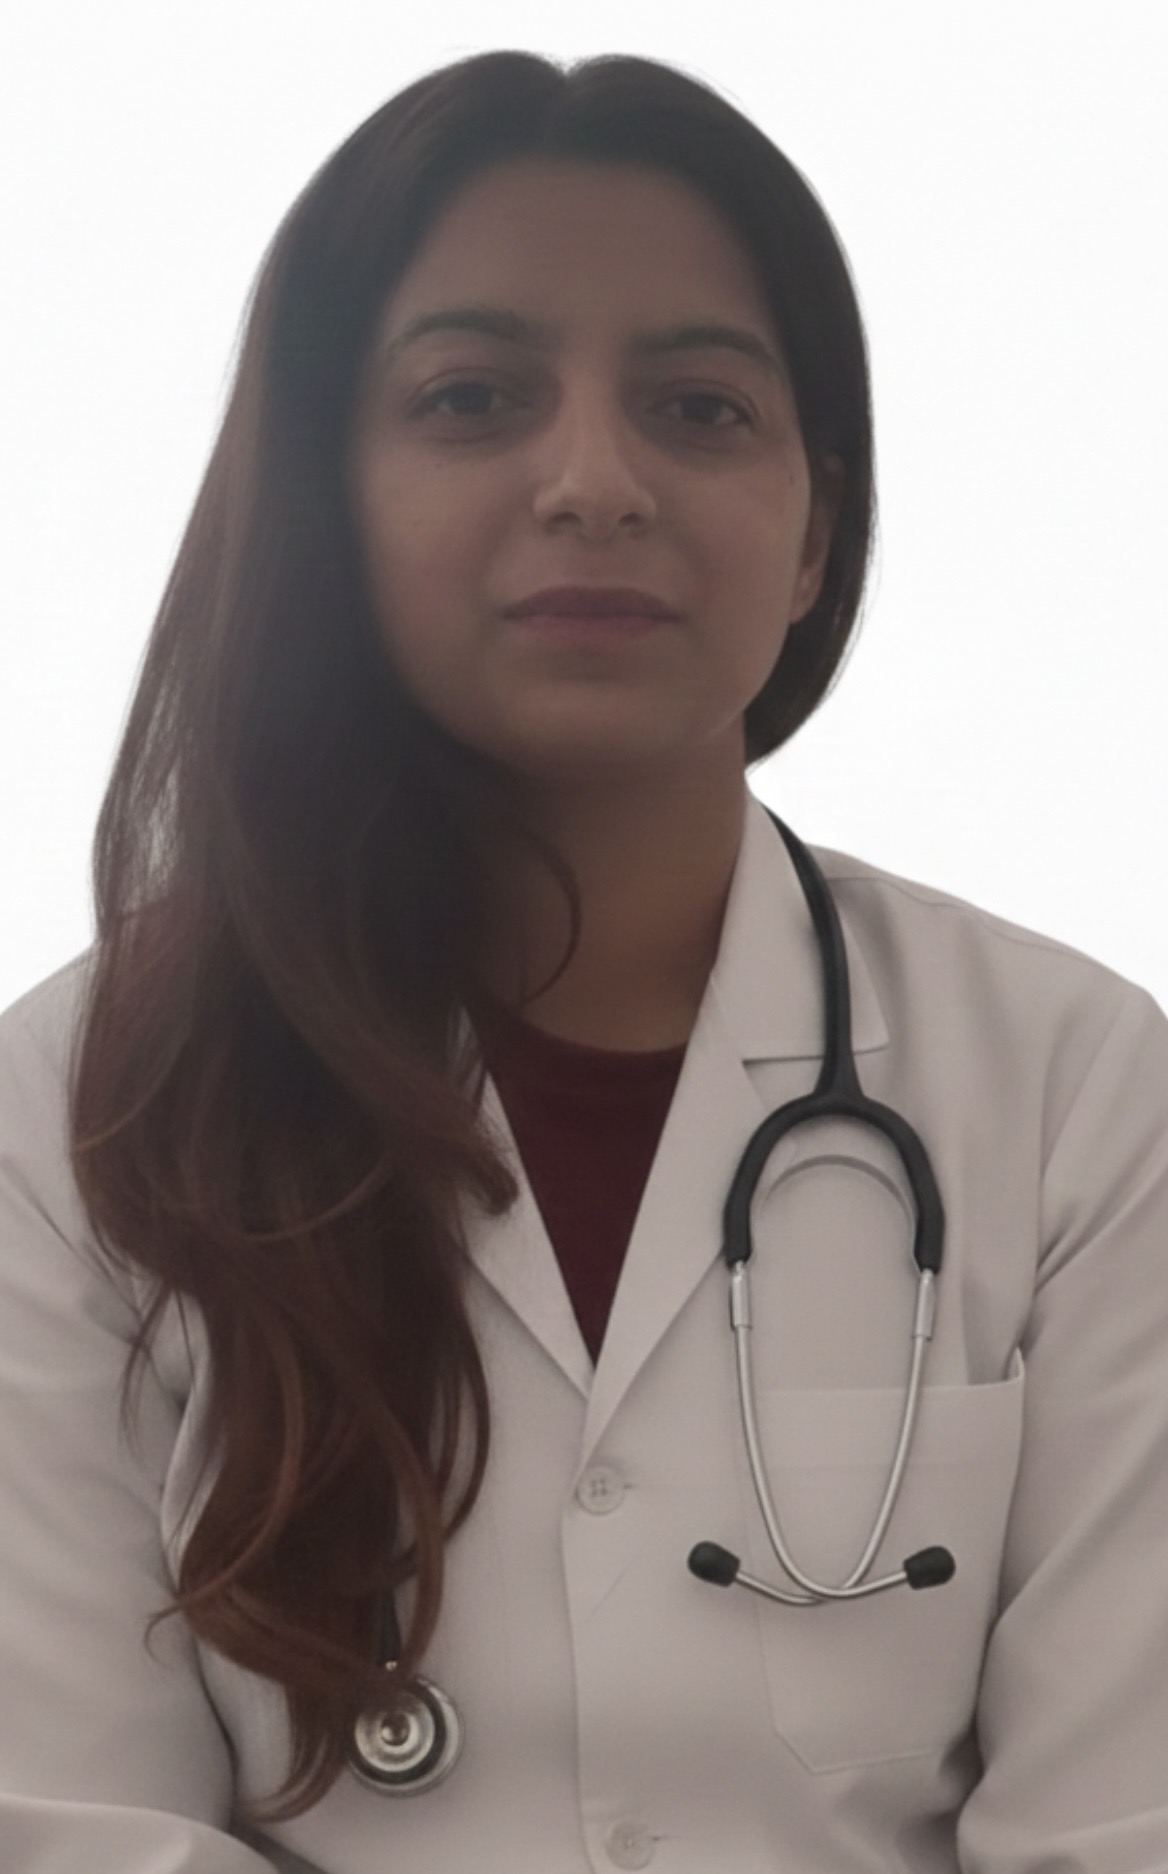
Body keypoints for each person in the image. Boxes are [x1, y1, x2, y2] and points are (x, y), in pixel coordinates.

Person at [0, 46, 1166, 1874]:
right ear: (329, 499)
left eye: (700, 407)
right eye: (472, 397)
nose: (596, 481)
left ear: (816, 535)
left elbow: (1124, 1824)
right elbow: (69, 1825)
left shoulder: (1074, 1090)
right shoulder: (79, 1109)